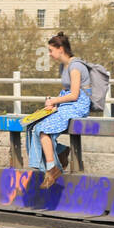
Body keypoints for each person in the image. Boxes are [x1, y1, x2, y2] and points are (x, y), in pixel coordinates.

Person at [27, 32, 90, 189]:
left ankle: (52, 170)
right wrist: (54, 104)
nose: (49, 54)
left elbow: (75, 94)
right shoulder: (65, 66)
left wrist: (55, 101)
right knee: (32, 126)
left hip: (78, 105)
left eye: (51, 50)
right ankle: (60, 152)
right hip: (67, 104)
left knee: (43, 129)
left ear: (60, 49)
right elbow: (66, 93)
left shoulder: (75, 66)